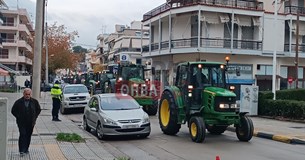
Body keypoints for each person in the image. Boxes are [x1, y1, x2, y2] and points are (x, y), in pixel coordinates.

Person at [11, 88, 41, 156]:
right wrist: (18, 116)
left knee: (28, 135)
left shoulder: (34, 102)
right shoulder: (18, 102)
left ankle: (26, 149)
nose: (27, 96)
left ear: (30, 94)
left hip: (30, 122)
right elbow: (13, 111)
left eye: (29, 94)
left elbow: (38, 109)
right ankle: (21, 150)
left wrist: (35, 117)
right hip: (21, 122)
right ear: (23, 94)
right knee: (22, 134)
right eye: (26, 94)